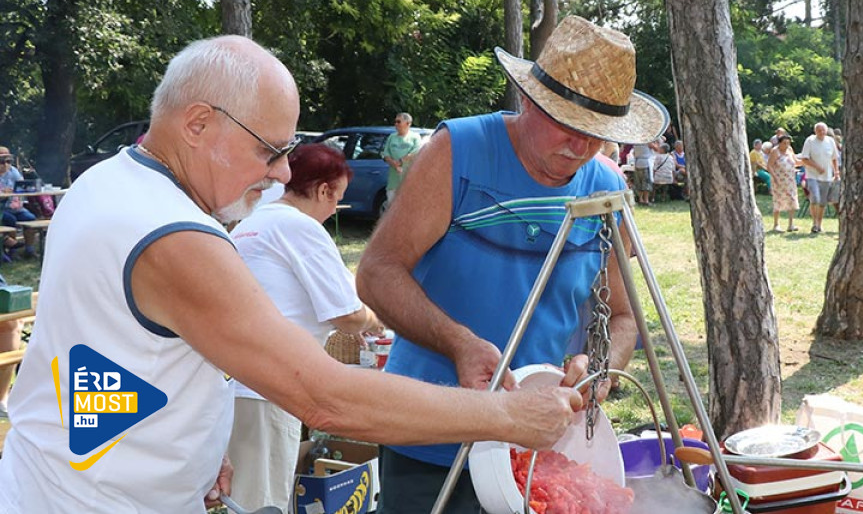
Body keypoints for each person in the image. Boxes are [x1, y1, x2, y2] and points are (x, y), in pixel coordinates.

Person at [0, 36, 583, 514]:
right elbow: (325, 398)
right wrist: (507, 416)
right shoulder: (174, 237)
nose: (282, 174)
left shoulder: (107, 182)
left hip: (63, 481)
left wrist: (185, 441)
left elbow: (93, 353)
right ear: (197, 124)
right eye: (270, 150)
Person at [355, 15, 668, 514]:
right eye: (568, 125)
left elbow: (624, 317)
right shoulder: (459, 151)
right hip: (431, 435)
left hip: (536, 447)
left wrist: (601, 367)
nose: (580, 148)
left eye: (596, 134)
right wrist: (459, 343)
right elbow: (376, 274)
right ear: (528, 99)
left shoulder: (605, 187)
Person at [226, 143, 386, 511]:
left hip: (235, 383)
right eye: (337, 199)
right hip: (271, 386)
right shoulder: (300, 227)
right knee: (263, 501)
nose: (334, 210)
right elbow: (348, 313)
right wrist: (375, 318)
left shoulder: (252, 224)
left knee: (242, 495)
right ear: (323, 190)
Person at [798, 122, 840, 234]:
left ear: (826, 131)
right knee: (815, 198)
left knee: (822, 202)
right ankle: (814, 223)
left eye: (823, 130)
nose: (821, 132)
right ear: (815, 131)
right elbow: (804, 159)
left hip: (827, 176)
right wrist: (817, 167)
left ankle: (819, 225)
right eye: (819, 130)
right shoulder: (810, 141)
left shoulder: (830, 141)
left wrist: (836, 172)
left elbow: (834, 158)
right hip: (812, 175)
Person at [0, 146, 40, 260]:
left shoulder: (13, 171)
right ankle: (13, 251)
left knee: (30, 218)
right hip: (2, 208)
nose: (5, 164)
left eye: (8, 161)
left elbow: (22, 185)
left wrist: (20, 189)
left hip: (15, 206)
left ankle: (29, 249)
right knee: (10, 220)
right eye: (2, 161)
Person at [382, 112, 422, 206]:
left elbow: (416, 152)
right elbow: (385, 154)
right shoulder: (392, 137)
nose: (395, 124)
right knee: (391, 208)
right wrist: (394, 164)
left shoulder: (415, 137)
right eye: (395, 121)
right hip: (393, 183)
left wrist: (401, 161)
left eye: (398, 122)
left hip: (409, 182)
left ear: (408, 123)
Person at [767, 134, 800, 232]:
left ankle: (791, 224)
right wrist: (775, 177)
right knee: (778, 200)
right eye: (784, 143)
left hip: (790, 179)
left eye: (788, 143)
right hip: (779, 180)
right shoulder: (775, 151)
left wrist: (807, 162)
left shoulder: (789, 150)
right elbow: (769, 166)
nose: (786, 145)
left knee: (791, 199)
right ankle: (776, 224)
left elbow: (796, 161)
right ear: (779, 143)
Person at [632, 140, 656, 205]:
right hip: (646, 163)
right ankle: (646, 200)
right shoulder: (647, 141)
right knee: (646, 182)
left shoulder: (635, 142)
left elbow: (634, 153)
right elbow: (656, 148)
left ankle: (640, 199)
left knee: (639, 182)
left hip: (637, 162)